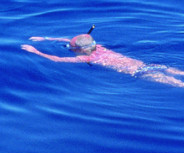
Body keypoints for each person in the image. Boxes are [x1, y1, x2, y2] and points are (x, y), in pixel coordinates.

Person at [21, 25, 184, 88]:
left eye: (73, 49)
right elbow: (71, 40)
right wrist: (45, 38)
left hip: (139, 73)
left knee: (177, 84)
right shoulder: (99, 47)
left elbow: (57, 59)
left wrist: (35, 51)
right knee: (174, 72)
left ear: (81, 50)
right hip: (147, 65)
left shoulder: (87, 58)